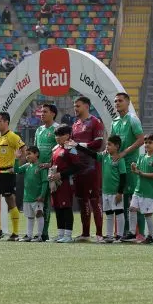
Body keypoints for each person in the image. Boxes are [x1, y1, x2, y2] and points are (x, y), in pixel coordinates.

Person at [73, 135, 125, 243]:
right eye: (107, 144)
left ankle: (120, 235)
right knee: (109, 214)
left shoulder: (120, 159)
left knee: (119, 212)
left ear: (117, 146)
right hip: (106, 191)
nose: (107, 146)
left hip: (115, 192)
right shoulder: (104, 156)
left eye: (109, 144)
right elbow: (92, 154)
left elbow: (123, 177)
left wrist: (120, 192)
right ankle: (110, 235)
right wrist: (77, 146)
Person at [109, 93, 145, 241]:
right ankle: (126, 233)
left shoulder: (133, 119)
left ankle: (141, 233)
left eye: (120, 101)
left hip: (131, 164)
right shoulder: (115, 121)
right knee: (121, 198)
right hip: (118, 165)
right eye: (116, 101)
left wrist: (124, 152)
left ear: (128, 102)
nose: (117, 103)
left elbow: (141, 139)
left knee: (135, 199)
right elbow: (111, 141)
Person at [0, 112, 25, 241]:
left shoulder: (13, 136)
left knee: (10, 201)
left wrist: (18, 165)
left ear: (6, 122)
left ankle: (15, 233)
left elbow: (24, 151)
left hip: (8, 173)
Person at [71, 96, 104, 242]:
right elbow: (72, 145)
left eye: (78, 106)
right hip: (78, 168)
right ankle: (85, 233)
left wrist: (80, 146)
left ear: (86, 106)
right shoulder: (75, 124)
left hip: (91, 167)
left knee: (94, 200)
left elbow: (98, 144)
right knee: (82, 200)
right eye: (74, 106)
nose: (75, 108)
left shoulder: (95, 122)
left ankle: (99, 234)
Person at [47, 124, 82, 242]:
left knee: (66, 207)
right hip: (55, 183)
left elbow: (77, 166)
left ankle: (68, 235)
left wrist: (61, 175)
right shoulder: (55, 148)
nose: (57, 137)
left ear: (67, 135)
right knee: (57, 207)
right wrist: (51, 174)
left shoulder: (71, 148)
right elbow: (52, 165)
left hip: (66, 182)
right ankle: (61, 234)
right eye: (56, 135)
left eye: (60, 135)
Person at [129, 133, 153, 244]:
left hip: (149, 192)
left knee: (148, 214)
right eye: (146, 142)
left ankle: (152, 237)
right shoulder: (141, 157)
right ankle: (132, 233)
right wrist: (133, 167)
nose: (147, 145)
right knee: (132, 209)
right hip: (138, 190)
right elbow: (136, 171)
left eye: (150, 142)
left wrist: (141, 173)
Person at [34, 103, 59, 240]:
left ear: (53, 114)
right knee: (37, 202)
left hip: (52, 171)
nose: (42, 114)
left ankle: (45, 232)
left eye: (45, 111)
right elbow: (36, 150)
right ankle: (36, 232)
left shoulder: (57, 129)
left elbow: (60, 150)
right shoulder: (38, 130)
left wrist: (50, 164)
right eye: (41, 112)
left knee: (47, 202)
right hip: (39, 170)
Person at [15, 147, 49, 241]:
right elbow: (16, 170)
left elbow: (45, 182)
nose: (27, 156)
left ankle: (39, 235)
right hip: (27, 197)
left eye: (29, 154)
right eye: (26, 154)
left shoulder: (41, 167)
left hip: (37, 198)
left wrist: (42, 195)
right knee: (30, 217)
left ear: (36, 154)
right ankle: (29, 235)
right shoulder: (26, 166)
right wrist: (16, 159)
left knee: (39, 214)